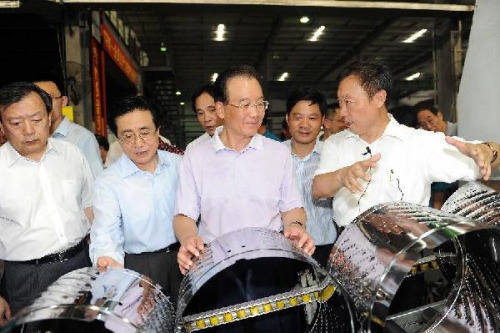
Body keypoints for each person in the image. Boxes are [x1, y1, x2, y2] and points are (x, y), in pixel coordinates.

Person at [174, 64, 314, 332]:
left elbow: (292, 207)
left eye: (260, 103)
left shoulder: (277, 153)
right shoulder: (197, 154)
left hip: (272, 270)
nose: (255, 112)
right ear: (221, 109)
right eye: (244, 104)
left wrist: (295, 228)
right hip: (217, 272)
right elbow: (185, 214)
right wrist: (188, 239)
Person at [312, 62, 500, 228]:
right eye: (340, 102)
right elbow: (318, 188)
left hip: (407, 250)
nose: (342, 112)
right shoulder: (336, 143)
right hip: (350, 249)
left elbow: (489, 155)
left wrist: (487, 150)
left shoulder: (419, 142)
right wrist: (341, 176)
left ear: (379, 98)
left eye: (349, 102)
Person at [0, 82, 93, 315]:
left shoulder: (71, 154)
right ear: (2, 126)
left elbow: (89, 206)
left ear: (50, 117)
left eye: (36, 119)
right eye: (16, 123)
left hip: (80, 265)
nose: (29, 130)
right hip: (27, 276)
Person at [89, 96, 183, 303]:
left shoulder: (181, 165)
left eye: (144, 133)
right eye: (127, 136)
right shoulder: (108, 181)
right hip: (140, 266)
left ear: (158, 130)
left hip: (184, 258)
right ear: (118, 139)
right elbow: (106, 232)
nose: (138, 144)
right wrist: (109, 262)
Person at [283, 88, 337, 266]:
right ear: (287, 119)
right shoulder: (274, 156)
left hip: (325, 248)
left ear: (322, 121)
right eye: (298, 117)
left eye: (312, 118)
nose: (304, 124)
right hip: (285, 249)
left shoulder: (332, 157)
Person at [34, 78, 103, 177]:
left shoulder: (82, 138)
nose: (44, 105)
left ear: (63, 101)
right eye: (37, 100)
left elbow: (95, 181)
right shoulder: (30, 138)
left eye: (48, 98)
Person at [186, 84, 223, 150]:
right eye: (200, 113)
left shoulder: (244, 142)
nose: (206, 119)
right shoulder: (194, 149)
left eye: (212, 110)